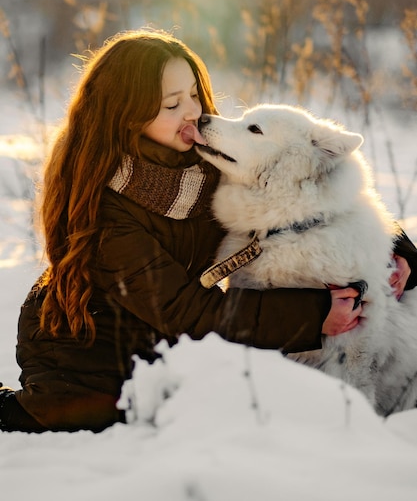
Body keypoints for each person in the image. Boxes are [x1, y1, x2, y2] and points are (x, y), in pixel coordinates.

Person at [1, 29, 416, 433]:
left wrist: (399, 251)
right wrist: (314, 315)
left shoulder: (203, 161)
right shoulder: (108, 209)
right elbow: (185, 311)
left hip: (159, 332)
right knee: (104, 415)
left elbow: (309, 193)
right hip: (83, 342)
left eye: (194, 95)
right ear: (126, 114)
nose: (192, 111)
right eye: (171, 104)